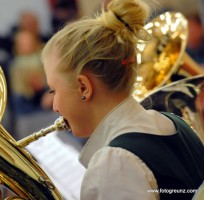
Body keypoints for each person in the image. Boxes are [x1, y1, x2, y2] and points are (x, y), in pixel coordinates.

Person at [40, 0, 204, 199]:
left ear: (84, 87)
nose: (55, 107)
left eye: (53, 91)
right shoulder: (173, 121)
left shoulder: (115, 162)